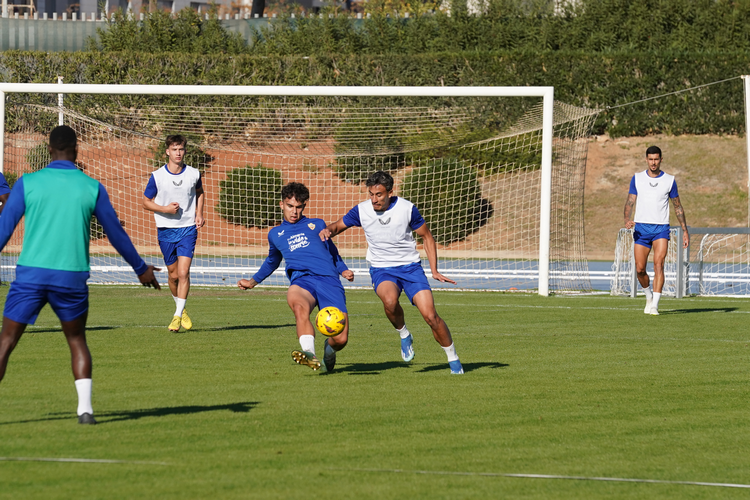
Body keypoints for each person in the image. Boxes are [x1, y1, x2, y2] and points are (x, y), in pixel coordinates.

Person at [0, 125, 161, 425]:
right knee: (76, 340)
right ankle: (85, 411)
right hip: (71, 278)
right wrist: (141, 269)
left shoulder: (27, 183)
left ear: (49, 150)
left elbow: (3, 229)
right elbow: (116, 234)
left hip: (31, 275)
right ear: (77, 150)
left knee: (6, 341)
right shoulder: (92, 187)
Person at [321, 171, 464, 375]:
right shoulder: (362, 210)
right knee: (389, 301)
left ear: (390, 192)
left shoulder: (407, 209)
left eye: (379, 195)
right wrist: (327, 230)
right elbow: (336, 226)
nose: (374, 199)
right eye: (371, 194)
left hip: (411, 268)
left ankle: (453, 359)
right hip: (382, 269)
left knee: (431, 316)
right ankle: (404, 335)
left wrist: (434, 270)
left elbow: (427, 237)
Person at [237, 182, 353, 373]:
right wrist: (252, 282)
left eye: (299, 207)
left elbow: (332, 253)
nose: (294, 212)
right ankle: (309, 354)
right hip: (302, 281)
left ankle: (329, 350)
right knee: (299, 307)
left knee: (341, 338)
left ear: (304, 206)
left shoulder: (318, 224)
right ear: (282, 204)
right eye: (290, 206)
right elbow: (272, 261)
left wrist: (343, 270)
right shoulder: (275, 234)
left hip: (329, 280)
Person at [143, 134, 205, 332]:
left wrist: (199, 213)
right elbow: (146, 202)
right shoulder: (157, 176)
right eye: (174, 149)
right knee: (173, 276)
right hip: (165, 230)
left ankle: (177, 316)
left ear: (185, 151)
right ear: (167, 152)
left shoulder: (194, 174)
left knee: (184, 272)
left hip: (188, 229)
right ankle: (181, 308)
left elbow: (200, 192)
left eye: (181, 149)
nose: (178, 153)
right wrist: (165, 209)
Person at [624, 145, 689, 315]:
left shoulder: (669, 180)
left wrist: (685, 231)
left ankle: (655, 306)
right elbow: (630, 201)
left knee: (659, 264)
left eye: (656, 159)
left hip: (661, 229)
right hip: (641, 228)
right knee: (640, 269)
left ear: (661, 159)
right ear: (646, 160)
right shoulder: (637, 178)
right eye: (651, 159)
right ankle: (648, 297)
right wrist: (627, 220)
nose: (653, 163)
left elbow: (678, 206)